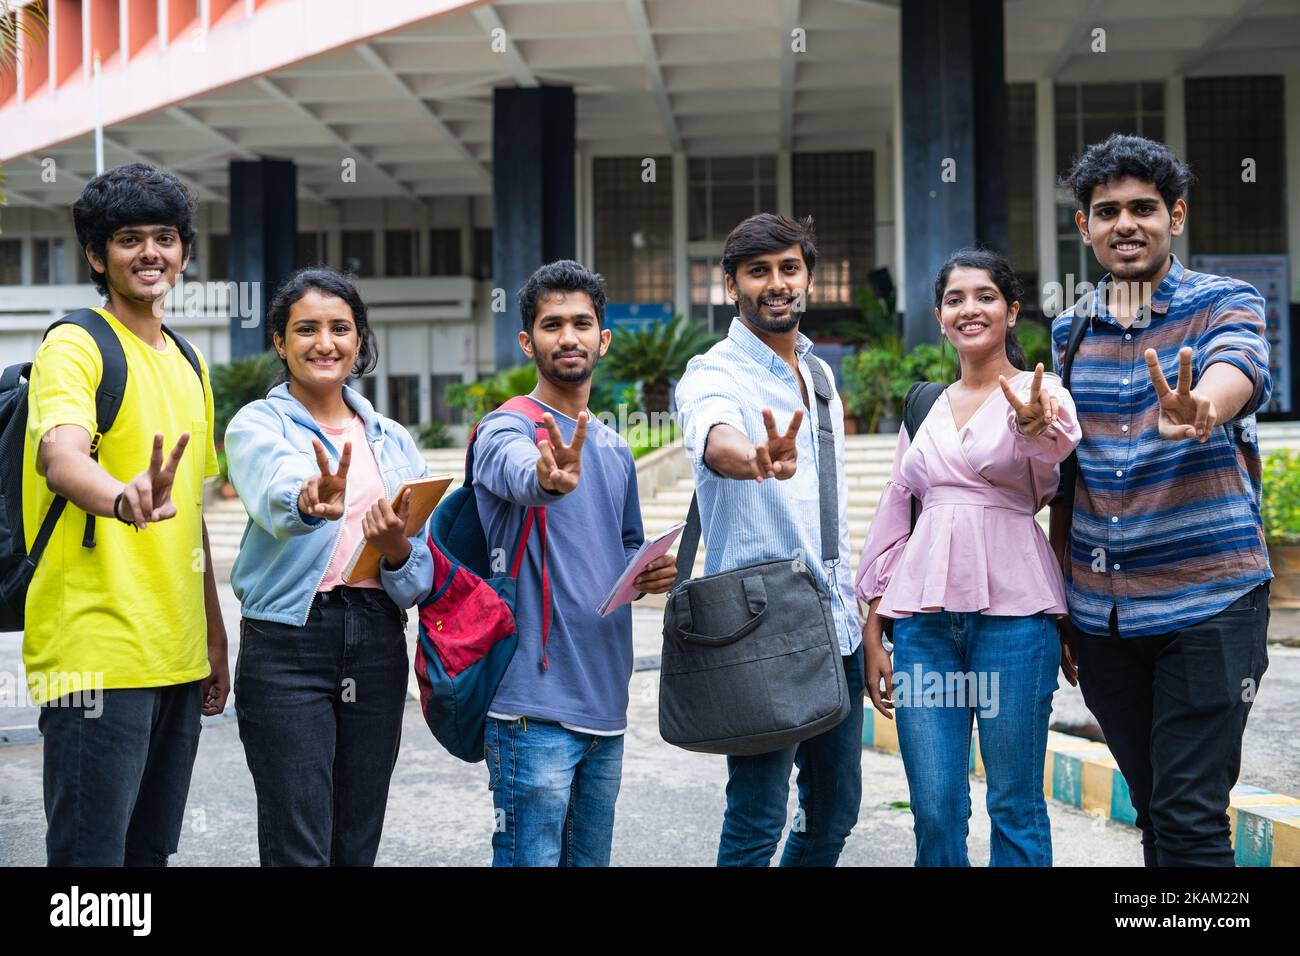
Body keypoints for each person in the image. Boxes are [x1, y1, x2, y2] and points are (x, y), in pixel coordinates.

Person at [1050, 134, 1272, 867]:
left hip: (1208, 605)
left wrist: (1202, 405)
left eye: (1144, 208)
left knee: (1189, 814)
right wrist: (1063, 605)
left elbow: (1236, 367)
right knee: (1156, 810)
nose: (1125, 224)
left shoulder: (1224, 302)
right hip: (1106, 617)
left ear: (1175, 216)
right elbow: (1068, 477)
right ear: (1084, 227)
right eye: (1107, 210)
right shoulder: (1070, 329)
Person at [24, 163, 228, 866]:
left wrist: (214, 640)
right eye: (128, 239)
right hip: (96, 656)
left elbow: (193, 512)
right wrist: (121, 496)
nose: (150, 253)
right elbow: (62, 455)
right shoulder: (74, 345)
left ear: (185, 251)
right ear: (96, 256)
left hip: (175, 653)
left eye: (165, 238)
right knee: (90, 865)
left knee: (146, 859)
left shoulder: (190, 363)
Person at [856, 249, 1081, 866]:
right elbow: (897, 512)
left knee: (1014, 802)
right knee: (934, 806)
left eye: (986, 296)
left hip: (1014, 619)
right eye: (955, 299)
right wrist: (875, 623)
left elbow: (1052, 451)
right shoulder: (924, 404)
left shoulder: (1045, 393)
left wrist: (1036, 426)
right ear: (940, 315)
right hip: (924, 625)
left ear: (1011, 311)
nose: (969, 308)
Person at [468, 260, 675, 867]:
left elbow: (628, 549)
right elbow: (518, 473)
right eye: (552, 324)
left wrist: (652, 571)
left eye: (582, 323)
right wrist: (547, 479)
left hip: (605, 704)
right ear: (527, 341)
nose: (569, 337)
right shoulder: (507, 428)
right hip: (531, 709)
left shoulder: (611, 447)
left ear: (602, 339)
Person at [224, 267, 433, 866]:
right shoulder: (257, 425)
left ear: (359, 340)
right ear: (279, 342)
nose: (325, 343)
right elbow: (277, 495)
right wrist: (309, 500)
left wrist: (396, 549)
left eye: (340, 328)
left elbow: (417, 575)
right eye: (306, 329)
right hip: (289, 643)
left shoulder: (391, 439)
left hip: (375, 638)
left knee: (357, 836)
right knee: (299, 840)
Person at [675, 213, 864, 867]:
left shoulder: (821, 378)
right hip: (758, 628)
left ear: (808, 276)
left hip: (834, 624)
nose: (777, 284)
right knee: (757, 817)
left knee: (835, 812)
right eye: (759, 271)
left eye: (789, 268)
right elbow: (714, 432)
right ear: (732, 284)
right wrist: (752, 456)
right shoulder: (712, 372)